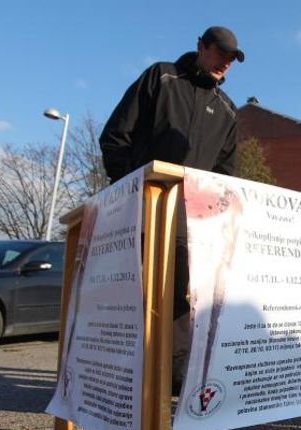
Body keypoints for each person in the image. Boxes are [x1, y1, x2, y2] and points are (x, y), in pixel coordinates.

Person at [99, 25, 245, 395]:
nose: (225, 64)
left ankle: (174, 382)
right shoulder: (161, 77)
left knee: (183, 300)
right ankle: (125, 379)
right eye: (220, 54)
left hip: (190, 225)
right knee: (137, 297)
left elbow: (226, 175)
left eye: (231, 60)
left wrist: (215, 218)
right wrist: (131, 190)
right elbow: (116, 135)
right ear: (201, 47)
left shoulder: (228, 110)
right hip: (143, 211)